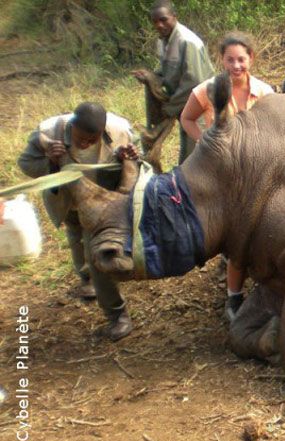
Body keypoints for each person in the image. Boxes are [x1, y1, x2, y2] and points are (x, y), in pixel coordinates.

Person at [18, 102, 140, 341]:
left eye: (91, 140)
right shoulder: (48, 132)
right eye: (80, 139)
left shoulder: (120, 130)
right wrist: (51, 162)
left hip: (101, 204)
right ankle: (87, 280)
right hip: (68, 201)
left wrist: (128, 158)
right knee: (75, 239)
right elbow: (26, 165)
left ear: (102, 131)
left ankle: (118, 317)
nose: (85, 144)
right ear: (71, 126)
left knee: (97, 256)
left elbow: (139, 160)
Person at [180, 31, 274, 322]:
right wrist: (205, 141)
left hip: (254, 169)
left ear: (251, 59)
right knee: (235, 234)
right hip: (221, 171)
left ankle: (258, 282)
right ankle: (233, 297)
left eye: (241, 59)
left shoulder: (265, 92)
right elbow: (186, 119)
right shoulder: (207, 89)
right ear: (221, 59)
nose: (236, 66)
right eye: (230, 59)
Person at [131, 0, 215, 165]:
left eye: (164, 19)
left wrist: (170, 108)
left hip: (199, 104)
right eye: (155, 21)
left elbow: (194, 81)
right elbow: (167, 70)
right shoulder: (163, 41)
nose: (159, 25)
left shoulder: (187, 41)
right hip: (182, 102)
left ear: (174, 17)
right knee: (183, 150)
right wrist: (151, 76)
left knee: (195, 156)